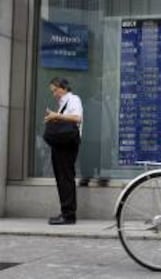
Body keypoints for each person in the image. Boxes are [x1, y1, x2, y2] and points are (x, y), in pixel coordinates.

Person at [44, 77, 83, 225]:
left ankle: (68, 215)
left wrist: (57, 116)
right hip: (61, 145)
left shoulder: (73, 99)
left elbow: (77, 118)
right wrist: (55, 118)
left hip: (68, 145)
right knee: (62, 178)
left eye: (55, 90)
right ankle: (65, 212)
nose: (54, 94)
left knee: (65, 178)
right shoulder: (63, 103)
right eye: (52, 91)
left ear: (64, 88)